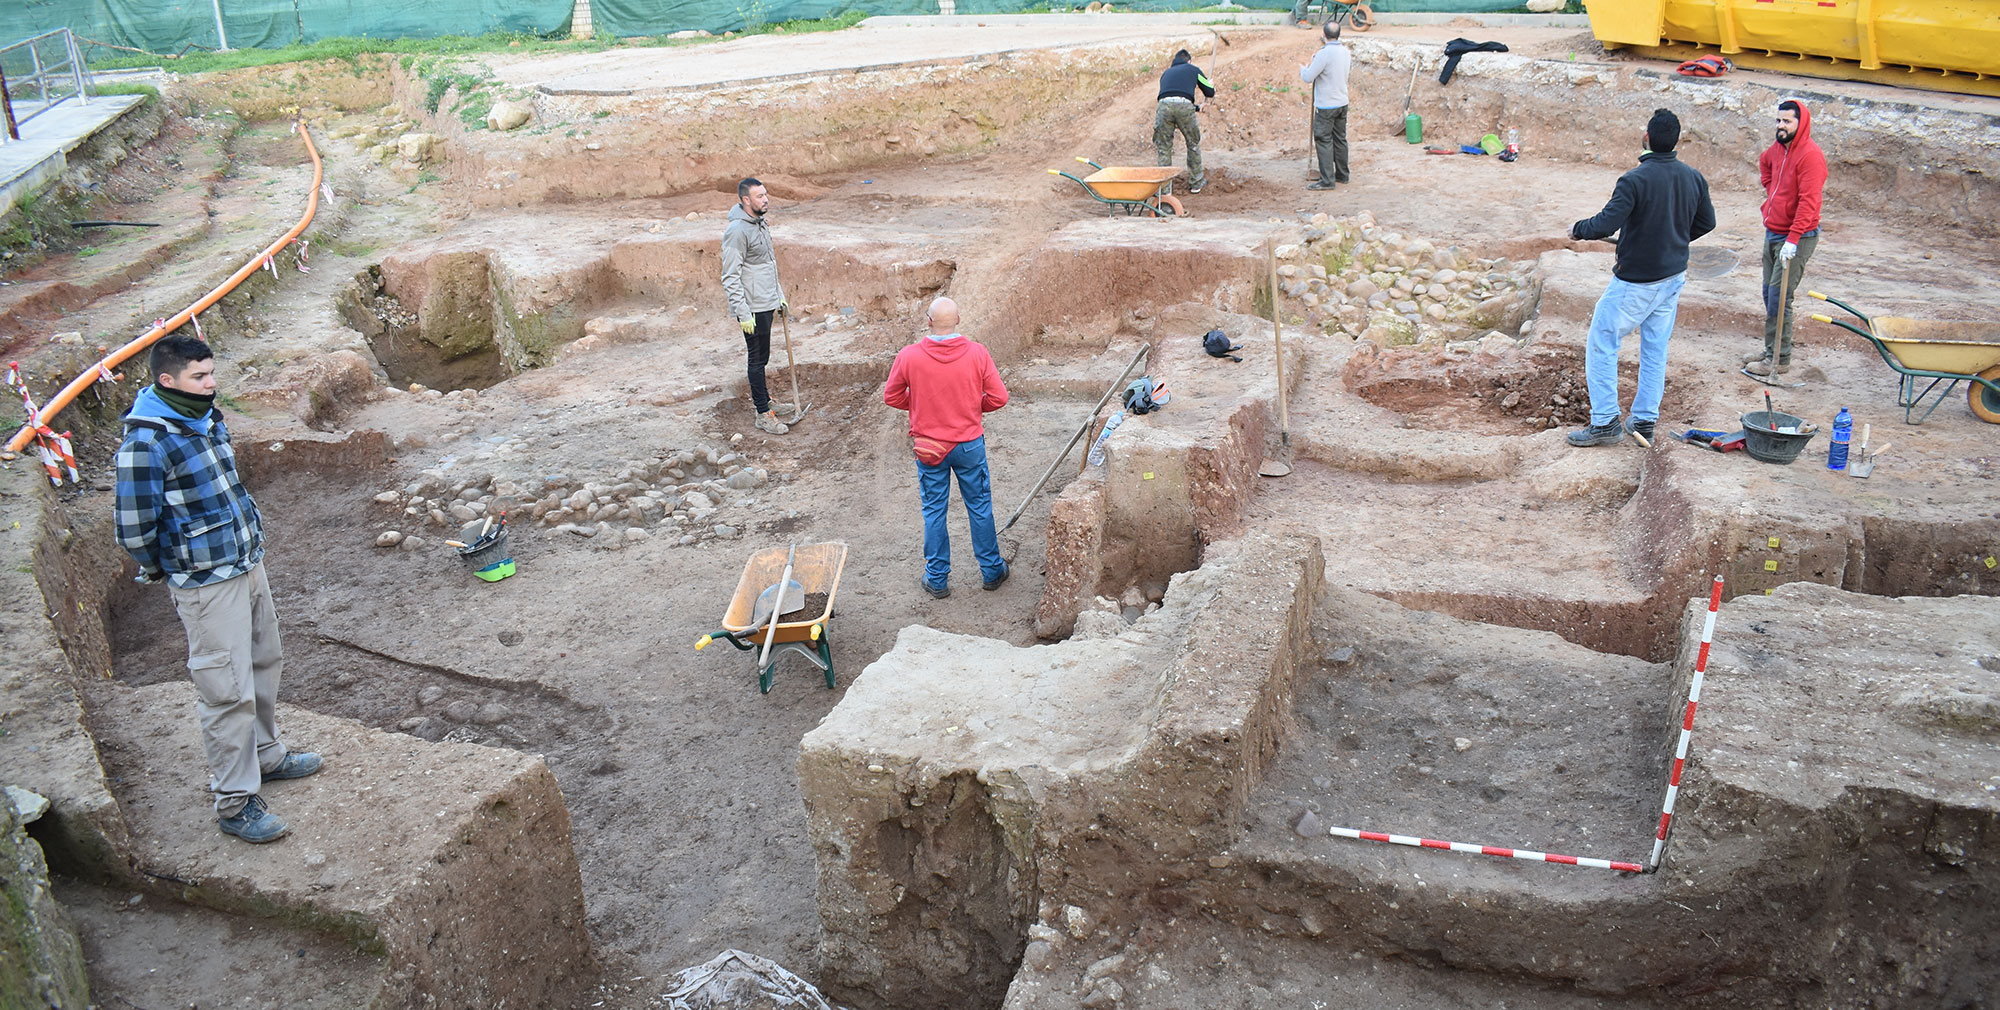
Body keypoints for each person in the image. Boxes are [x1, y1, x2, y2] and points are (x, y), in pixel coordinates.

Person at [115, 334, 321, 844]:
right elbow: (133, 528)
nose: (211, 384)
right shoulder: (146, 441)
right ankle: (234, 801)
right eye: (199, 377)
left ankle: (267, 756)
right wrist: (171, 566)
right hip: (207, 585)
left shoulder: (204, 417)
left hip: (247, 565)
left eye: (212, 373)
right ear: (167, 380)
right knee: (224, 689)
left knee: (263, 661)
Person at [1565, 108, 1717, 447]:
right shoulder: (1693, 177)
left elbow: (1605, 224)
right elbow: (1707, 222)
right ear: (1675, 141)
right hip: (1673, 276)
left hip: (1636, 281)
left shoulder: (1634, 179)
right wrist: (1672, 240)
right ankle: (1645, 420)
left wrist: (1579, 229)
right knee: (1655, 348)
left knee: (1603, 341)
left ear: (1646, 138)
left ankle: (1605, 421)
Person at [882, 297, 1010, 599]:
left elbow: (891, 396)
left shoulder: (909, 356)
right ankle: (992, 571)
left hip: (929, 448)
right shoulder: (978, 353)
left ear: (928, 322)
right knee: (979, 508)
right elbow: (999, 397)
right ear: (959, 320)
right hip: (969, 445)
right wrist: (970, 407)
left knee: (934, 511)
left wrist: (921, 405)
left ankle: (937, 579)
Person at [1745, 99, 1826, 377]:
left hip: (1797, 237)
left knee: (1779, 297)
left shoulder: (1810, 156)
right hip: (1774, 231)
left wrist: (1793, 239)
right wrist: (1773, 195)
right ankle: (1772, 350)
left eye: (1787, 121)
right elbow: (1765, 164)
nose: (1781, 126)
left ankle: (1779, 359)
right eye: (1778, 120)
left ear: (1800, 123)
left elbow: (1809, 203)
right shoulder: (1778, 151)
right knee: (1770, 292)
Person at [721, 176, 791, 435]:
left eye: (765, 194)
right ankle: (763, 412)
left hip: (766, 301)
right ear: (745, 200)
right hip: (752, 307)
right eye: (759, 196)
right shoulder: (737, 231)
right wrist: (743, 313)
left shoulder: (760, 224)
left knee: (764, 357)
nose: (765, 199)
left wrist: (779, 295)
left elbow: (767, 265)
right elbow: (730, 276)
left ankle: (766, 401)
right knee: (756, 359)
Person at [1154, 49, 1215, 195]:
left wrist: (1197, 108)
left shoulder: (1166, 74)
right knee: (1192, 143)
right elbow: (1209, 93)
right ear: (1189, 61)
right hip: (1184, 106)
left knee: (1164, 148)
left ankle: (1165, 191)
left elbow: (1172, 97)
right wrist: (1210, 84)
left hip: (1163, 107)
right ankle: (1196, 183)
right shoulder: (1193, 70)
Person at [1299, 21, 1351, 191]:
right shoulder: (1346, 52)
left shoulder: (1324, 54)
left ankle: (1327, 180)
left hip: (1326, 105)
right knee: (1340, 139)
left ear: (1324, 35)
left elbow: (1308, 77)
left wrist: (1304, 68)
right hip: (1342, 102)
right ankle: (1342, 175)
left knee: (1323, 139)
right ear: (1339, 34)